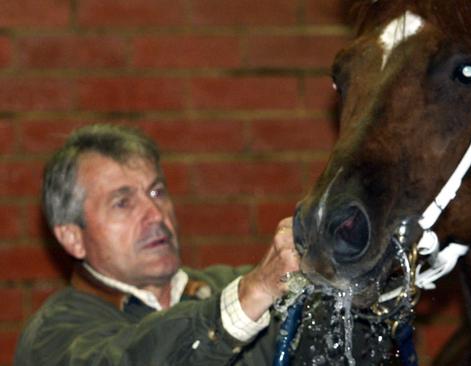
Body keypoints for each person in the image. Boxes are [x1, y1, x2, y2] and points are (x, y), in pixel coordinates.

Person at [14, 124, 301, 365]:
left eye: (157, 192)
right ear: (73, 238)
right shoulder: (54, 336)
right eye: (123, 203)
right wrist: (248, 297)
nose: (155, 214)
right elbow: (129, 357)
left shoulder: (226, 286)